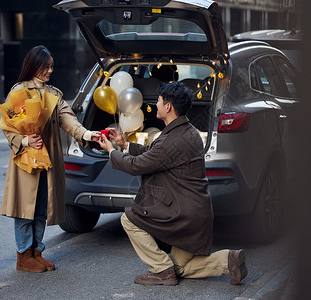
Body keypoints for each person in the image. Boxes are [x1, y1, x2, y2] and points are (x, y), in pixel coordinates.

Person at [98, 81, 247, 286]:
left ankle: (160, 269)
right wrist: (125, 144)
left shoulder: (171, 140)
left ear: (168, 107)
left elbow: (137, 165)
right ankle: (228, 261)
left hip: (182, 215)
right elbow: (154, 155)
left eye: (158, 101)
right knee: (179, 269)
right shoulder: (188, 131)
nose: (156, 104)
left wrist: (112, 151)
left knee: (128, 219)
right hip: (196, 212)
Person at [0, 45, 100, 273]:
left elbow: (68, 119)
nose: (49, 71)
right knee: (26, 208)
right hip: (26, 160)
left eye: (52, 67)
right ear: (34, 65)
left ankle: (36, 252)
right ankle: (24, 256)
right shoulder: (19, 91)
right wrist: (25, 142)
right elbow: (9, 127)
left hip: (49, 160)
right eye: (46, 67)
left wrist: (87, 134)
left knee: (42, 207)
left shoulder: (54, 94)